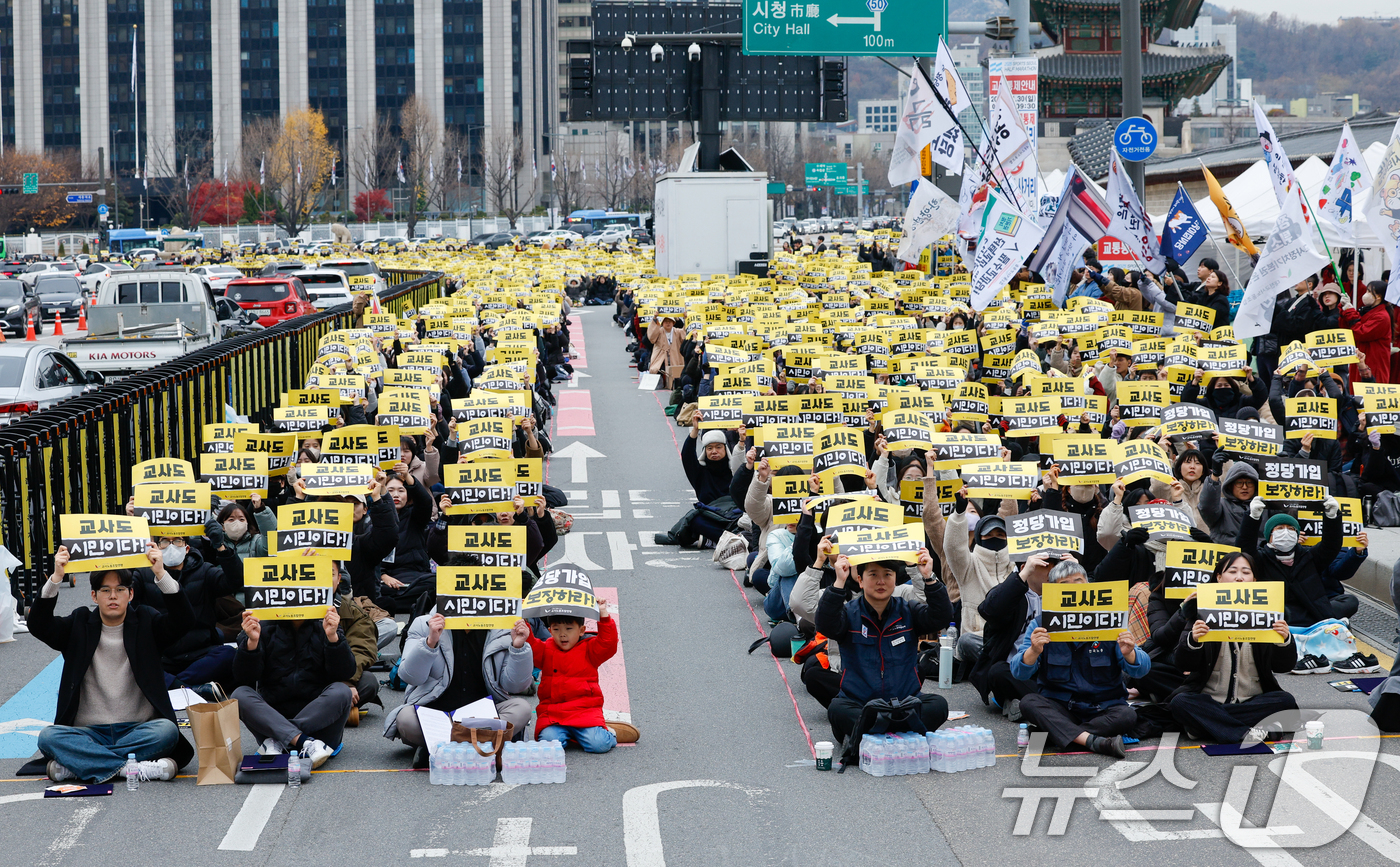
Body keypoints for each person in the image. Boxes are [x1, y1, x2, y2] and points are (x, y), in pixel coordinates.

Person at [31, 544, 192, 783]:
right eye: (105, 590)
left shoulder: (146, 621)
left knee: (167, 731)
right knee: (48, 737)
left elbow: (184, 621)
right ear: (94, 595)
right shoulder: (80, 622)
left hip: (139, 729)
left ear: (131, 594)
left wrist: (160, 573)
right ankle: (129, 768)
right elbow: (38, 625)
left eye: (120, 589)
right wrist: (56, 577)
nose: (113, 596)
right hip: (88, 733)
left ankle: (80, 766)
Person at [1011, 559, 1150, 758]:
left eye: (1078, 581)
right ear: (1052, 592)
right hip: (1061, 706)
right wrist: (1033, 651)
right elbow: (1018, 672)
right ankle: (1092, 740)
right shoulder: (1041, 624)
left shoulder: (1109, 620)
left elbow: (1143, 669)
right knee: (1029, 702)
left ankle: (1058, 734)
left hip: (1103, 707)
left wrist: (1129, 652)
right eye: (1064, 585)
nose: (1073, 589)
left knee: (1127, 715)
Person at [815, 549, 952, 745]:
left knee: (938, 705)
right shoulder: (848, 613)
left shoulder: (908, 610)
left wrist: (929, 577)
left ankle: (871, 734)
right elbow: (825, 624)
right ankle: (901, 734)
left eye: (887, 575)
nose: (881, 581)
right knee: (837, 709)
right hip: (861, 704)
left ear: (895, 579)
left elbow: (941, 617)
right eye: (873, 575)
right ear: (860, 580)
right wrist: (839, 582)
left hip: (904, 704)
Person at [1167, 552, 1298, 744]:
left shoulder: (1270, 614)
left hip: (1252, 701)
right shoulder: (1200, 612)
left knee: (1285, 702)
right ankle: (1245, 732)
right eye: (1232, 571)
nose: (1239, 577)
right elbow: (1181, 663)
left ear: (1254, 580)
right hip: (1210, 700)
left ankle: (1207, 725)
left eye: (1246, 572)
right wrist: (1194, 640)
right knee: (1180, 703)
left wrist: (1284, 640)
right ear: (1219, 577)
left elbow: (1283, 666)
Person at [383, 602, 535, 764]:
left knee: (522, 708)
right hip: (435, 714)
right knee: (406, 718)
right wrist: (430, 642)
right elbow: (410, 676)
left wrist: (518, 648)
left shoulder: (502, 627)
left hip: (483, 716)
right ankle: (486, 744)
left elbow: (515, 685)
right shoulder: (425, 623)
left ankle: (438, 747)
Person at [230, 605, 354, 769]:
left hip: (316, 730)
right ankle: (302, 741)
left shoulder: (325, 622)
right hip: (273, 718)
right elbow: (244, 678)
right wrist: (252, 643)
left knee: (342, 691)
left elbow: (345, 673)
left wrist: (333, 638)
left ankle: (285, 739)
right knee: (239, 694)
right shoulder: (262, 624)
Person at [528, 601, 639, 751]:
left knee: (599, 744)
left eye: (569, 628)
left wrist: (603, 616)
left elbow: (608, 643)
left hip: (585, 712)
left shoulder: (589, 648)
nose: (562, 634)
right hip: (553, 714)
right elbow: (530, 647)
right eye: (556, 629)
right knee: (548, 745)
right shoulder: (546, 648)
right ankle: (581, 735)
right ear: (549, 631)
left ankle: (609, 732)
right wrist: (523, 627)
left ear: (581, 630)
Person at [1237, 501, 1357, 627]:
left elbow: (1330, 545)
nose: (1285, 532)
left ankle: (1330, 621)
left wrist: (1332, 518)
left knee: (1349, 601)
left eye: (1290, 529)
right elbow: (1245, 547)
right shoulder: (1260, 559)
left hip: (1312, 613)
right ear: (1269, 536)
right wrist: (1253, 518)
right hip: (1278, 618)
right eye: (1279, 528)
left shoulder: (1309, 556)